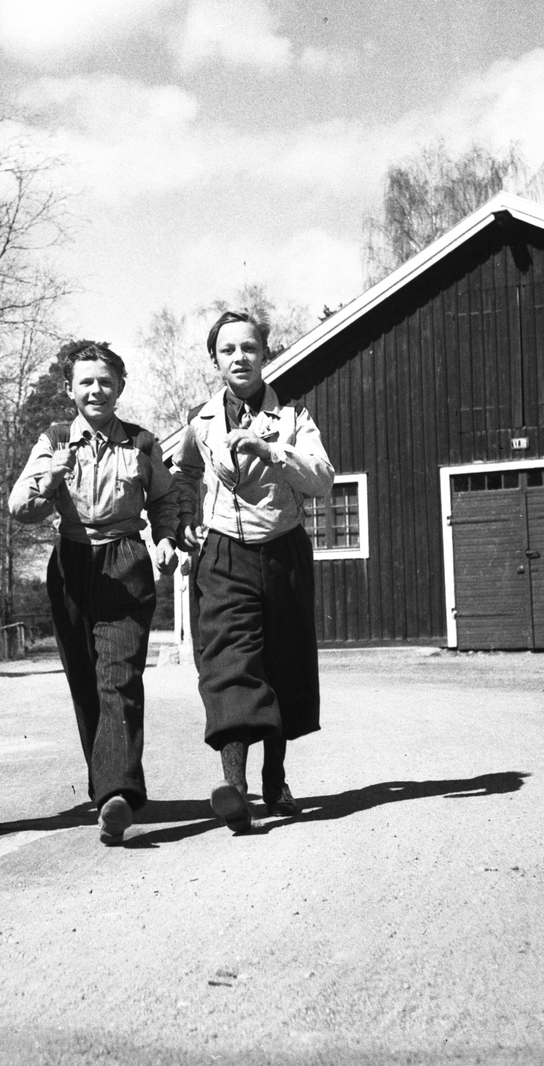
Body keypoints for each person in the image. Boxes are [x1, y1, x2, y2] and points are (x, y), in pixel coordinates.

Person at [9, 342, 178, 845]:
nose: (96, 390)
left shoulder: (142, 443)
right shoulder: (54, 440)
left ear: (120, 387)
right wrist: (50, 477)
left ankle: (116, 795)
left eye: (106, 381)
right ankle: (107, 785)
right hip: (72, 563)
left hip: (125, 561)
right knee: (86, 682)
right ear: (70, 390)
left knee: (118, 678)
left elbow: (165, 500)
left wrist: (165, 537)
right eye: (86, 382)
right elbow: (20, 507)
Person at [172, 311, 334, 832]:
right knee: (229, 661)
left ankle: (275, 778)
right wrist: (184, 519)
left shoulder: (293, 417)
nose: (239, 357)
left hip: (282, 549)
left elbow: (322, 480)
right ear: (214, 360)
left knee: (282, 664)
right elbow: (181, 474)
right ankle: (235, 789)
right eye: (228, 350)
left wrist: (270, 450)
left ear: (265, 354)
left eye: (248, 348)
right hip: (223, 553)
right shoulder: (200, 422)